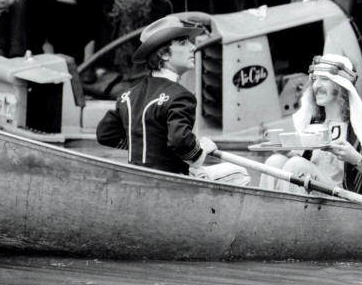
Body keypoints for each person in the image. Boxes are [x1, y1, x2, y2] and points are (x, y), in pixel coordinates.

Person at [96, 15, 250, 185]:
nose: (193, 47)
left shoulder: (128, 95)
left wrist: (143, 145)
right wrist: (202, 149)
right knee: (240, 173)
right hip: (172, 183)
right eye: (183, 43)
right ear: (163, 55)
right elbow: (180, 142)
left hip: (137, 180)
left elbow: (105, 134)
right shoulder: (180, 96)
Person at [259, 53, 362, 204]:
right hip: (315, 198)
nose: (316, 86)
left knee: (296, 164)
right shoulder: (315, 121)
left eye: (325, 79)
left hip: (349, 204)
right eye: (314, 79)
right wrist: (287, 151)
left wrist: (356, 159)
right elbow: (313, 166)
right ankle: (266, 216)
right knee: (274, 162)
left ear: (341, 86)